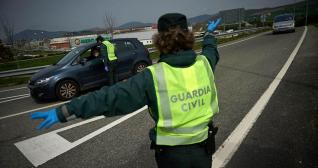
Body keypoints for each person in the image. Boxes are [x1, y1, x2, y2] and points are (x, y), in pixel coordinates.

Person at [31, 13, 221, 168]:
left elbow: (109, 98)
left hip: (171, 157)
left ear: (160, 42)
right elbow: (211, 50)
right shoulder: (204, 64)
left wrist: (65, 111)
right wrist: (209, 34)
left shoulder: (153, 76)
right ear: (188, 38)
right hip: (203, 152)